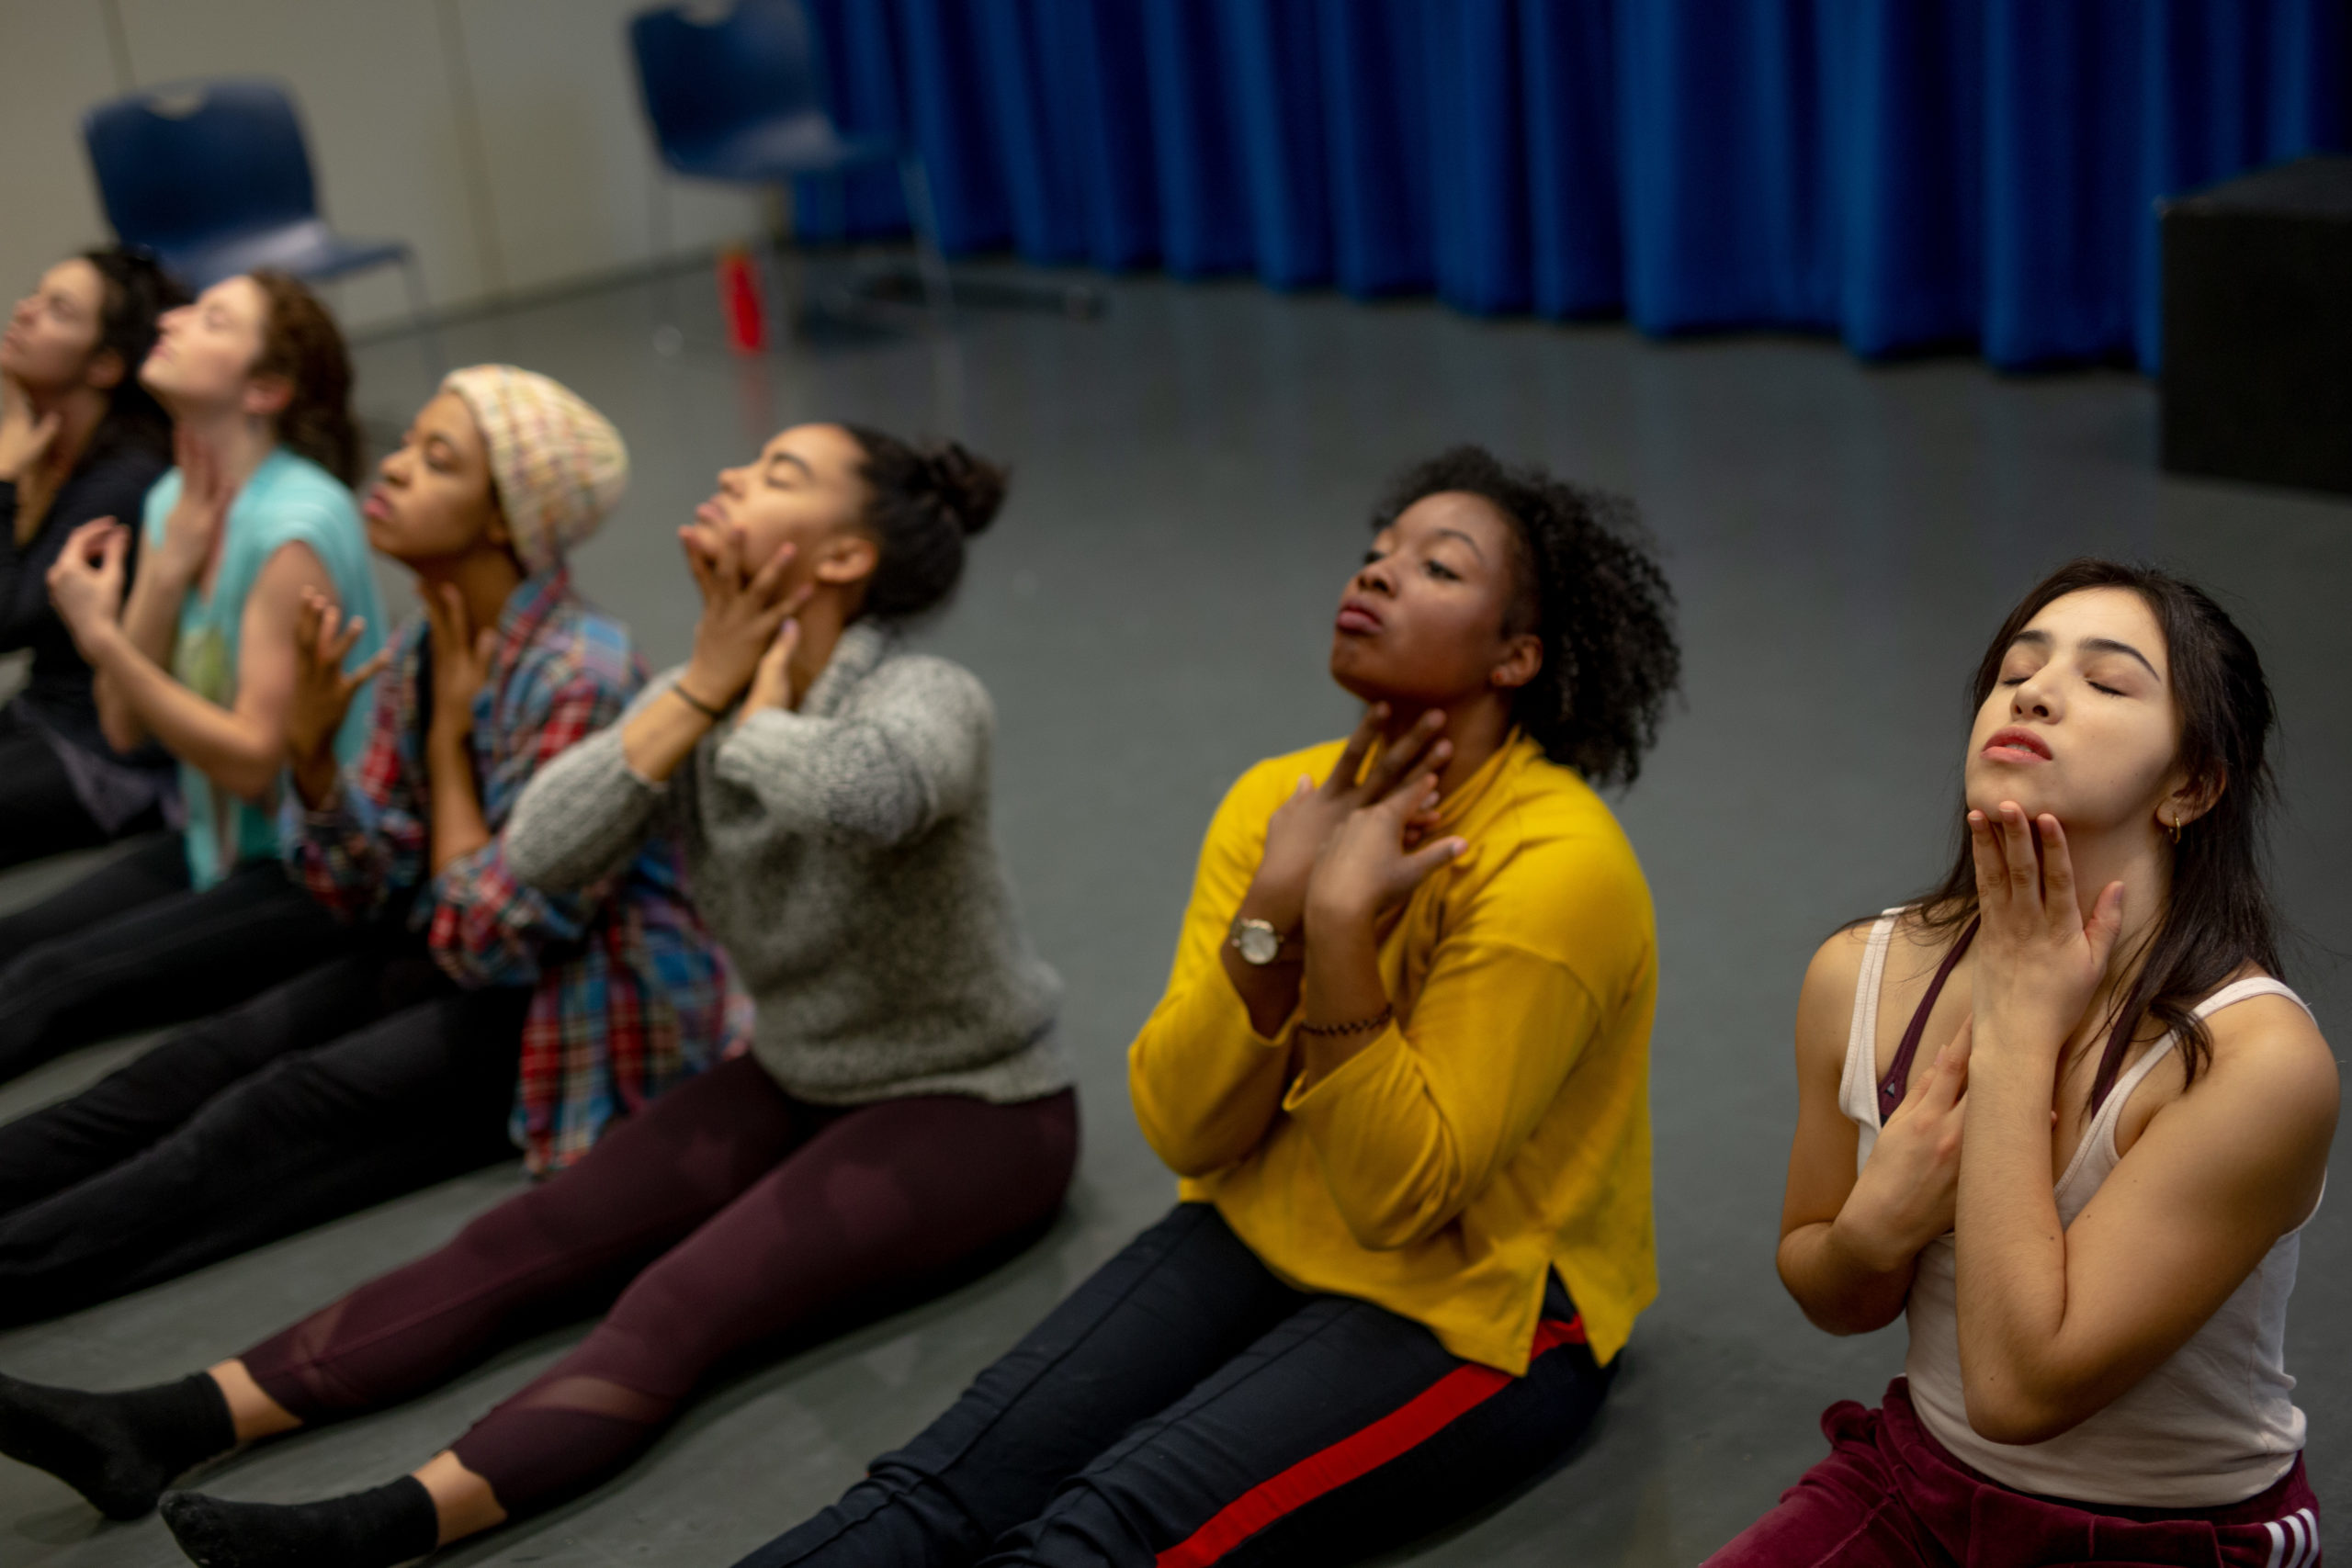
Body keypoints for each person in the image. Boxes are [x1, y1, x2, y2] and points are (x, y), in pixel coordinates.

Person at [0, 421, 1077, 1568]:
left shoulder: (927, 691)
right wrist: (705, 692)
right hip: (796, 1070)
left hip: (974, 1100)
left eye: (777, 474)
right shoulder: (690, 700)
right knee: (520, 1241)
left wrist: (740, 712)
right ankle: (161, 1423)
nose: (727, 472)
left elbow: (866, 793)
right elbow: (539, 852)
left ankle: (389, 1526)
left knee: (681, 1301)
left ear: (845, 559)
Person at [736, 445, 1683, 1567]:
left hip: (1480, 1310)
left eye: (1436, 568)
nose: (1375, 574)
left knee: (1098, 1536)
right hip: (1263, 1223)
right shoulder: (1269, 809)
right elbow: (1187, 1127)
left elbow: (1401, 1198)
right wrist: (1278, 907)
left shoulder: (1554, 866)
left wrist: (1338, 938)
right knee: (932, 1491)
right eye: (1375, 553)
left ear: (1517, 655)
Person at [0, 365, 736, 1323]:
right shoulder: (430, 641)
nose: (392, 470)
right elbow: (361, 886)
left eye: (439, 463)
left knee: (264, 1118)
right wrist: (314, 764)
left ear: (509, 518)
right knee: (190, 1065)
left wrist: (445, 752)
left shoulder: (579, 677)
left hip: (559, 1009)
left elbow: (490, 940)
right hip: (446, 950)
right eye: (409, 446)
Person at [1708, 559, 2336, 1565]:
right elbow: (1826, 1288)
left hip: (2171, 1540)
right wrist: (1869, 1239)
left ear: (2192, 784)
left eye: (2107, 681)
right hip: (1917, 1484)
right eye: (2016, 670)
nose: (2035, 691)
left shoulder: (2255, 1061)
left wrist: (2014, 1028)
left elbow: (2017, 1391)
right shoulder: (1861, 972)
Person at [0, 269, 384, 1085]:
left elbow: (254, 760)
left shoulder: (292, 527)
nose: (173, 319)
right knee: (16, 943)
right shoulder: (178, 495)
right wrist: (166, 576)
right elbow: (121, 724)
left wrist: (104, 637)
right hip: (215, 841)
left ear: (265, 387)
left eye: (212, 320)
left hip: (304, 868)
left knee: (51, 983)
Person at [0, 247, 187, 866]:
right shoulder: (49, 444)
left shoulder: (124, 479)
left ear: (105, 365)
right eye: (37, 295)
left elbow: (9, 622)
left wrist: (3, 481)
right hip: (44, 710)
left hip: (107, 756)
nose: (25, 311)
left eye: (59, 310)